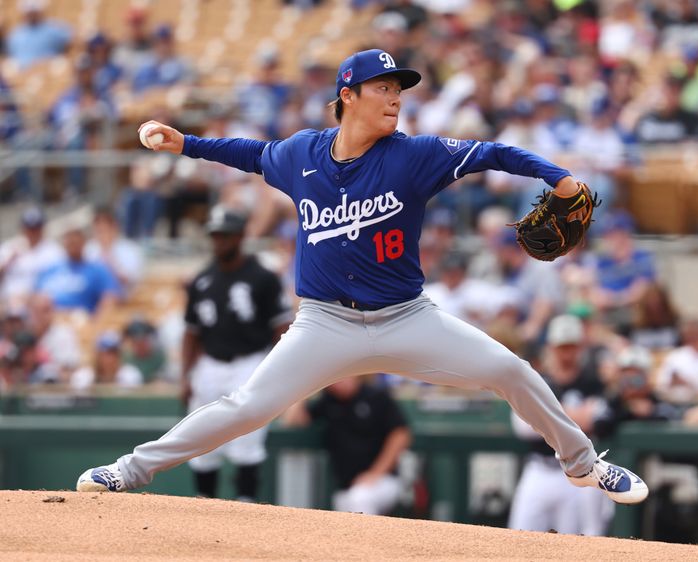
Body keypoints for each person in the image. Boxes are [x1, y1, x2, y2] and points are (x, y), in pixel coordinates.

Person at [76, 48, 648, 506]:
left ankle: (584, 465)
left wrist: (561, 177)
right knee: (246, 407)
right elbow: (251, 153)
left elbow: (493, 152)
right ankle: (129, 471)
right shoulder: (300, 153)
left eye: (399, 90)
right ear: (347, 95)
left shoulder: (413, 155)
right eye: (383, 88)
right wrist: (187, 144)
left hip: (406, 318)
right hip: (324, 324)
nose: (395, 98)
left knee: (509, 369)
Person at [180, 206, 292, 502]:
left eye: (225, 236)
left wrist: (277, 370)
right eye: (215, 236)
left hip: (250, 362)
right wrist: (185, 375)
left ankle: (246, 503)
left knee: (248, 439)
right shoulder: (202, 280)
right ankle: (205, 500)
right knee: (202, 439)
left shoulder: (263, 277)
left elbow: (282, 326)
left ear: (241, 236)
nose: (219, 241)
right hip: (210, 363)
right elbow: (191, 332)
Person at [507, 315, 613, 535]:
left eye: (571, 346)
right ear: (551, 347)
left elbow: (599, 421)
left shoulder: (592, 381)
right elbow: (523, 427)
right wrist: (576, 416)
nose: (566, 353)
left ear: (580, 347)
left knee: (575, 544)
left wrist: (548, 416)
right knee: (518, 536)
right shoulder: (539, 380)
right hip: (540, 468)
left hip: (579, 474)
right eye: (561, 347)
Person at [282, 376, 411, 515]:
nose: (337, 382)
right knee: (348, 503)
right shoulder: (329, 400)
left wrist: (375, 473)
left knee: (360, 498)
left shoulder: (376, 396)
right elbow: (292, 421)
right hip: (346, 489)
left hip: (383, 481)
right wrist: (306, 389)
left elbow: (401, 435)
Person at [34, 226, 121, 315]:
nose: (73, 245)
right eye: (69, 242)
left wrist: (95, 323)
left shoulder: (97, 269)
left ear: (83, 242)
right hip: (52, 319)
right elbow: (35, 297)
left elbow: (110, 298)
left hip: (82, 319)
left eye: (75, 241)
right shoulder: (51, 270)